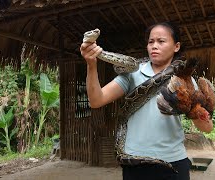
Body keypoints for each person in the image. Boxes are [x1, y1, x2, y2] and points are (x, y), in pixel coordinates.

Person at [80, 22, 191, 180]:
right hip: (134, 162)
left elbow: (206, 125)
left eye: (161, 41)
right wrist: (91, 65)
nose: (154, 46)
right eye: (151, 41)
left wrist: (196, 111)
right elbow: (96, 101)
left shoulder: (185, 77)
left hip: (174, 161)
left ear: (176, 46)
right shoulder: (133, 73)